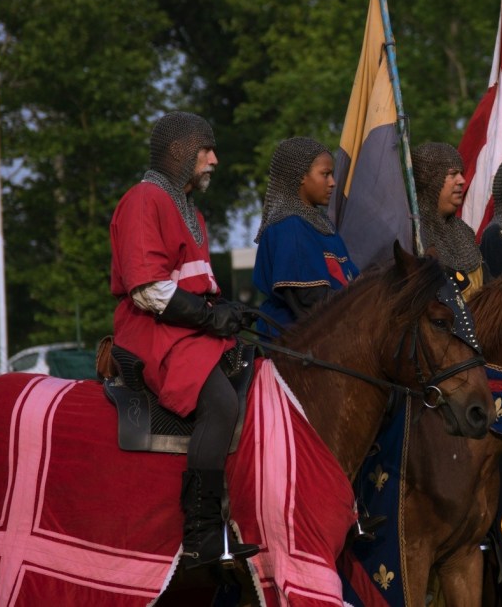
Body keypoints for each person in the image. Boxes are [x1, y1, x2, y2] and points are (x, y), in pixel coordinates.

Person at [110, 111, 258, 569]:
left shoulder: (190, 211)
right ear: (179, 152)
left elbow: (195, 283)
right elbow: (148, 289)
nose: (214, 159)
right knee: (221, 404)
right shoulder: (143, 199)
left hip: (189, 329)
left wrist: (228, 310)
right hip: (154, 332)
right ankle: (201, 536)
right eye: (205, 150)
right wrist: (211, 320)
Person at [253, 137, 359, 337]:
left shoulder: (322, 225)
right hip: (296, 348)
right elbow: (311, 302)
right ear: (301, 176)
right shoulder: (290, 227)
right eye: (325, 174)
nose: (333, 183)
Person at [411, 142, 486, 298]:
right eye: (453, 174)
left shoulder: (464, 232)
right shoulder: (412, 234)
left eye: (461, 173)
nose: (462, 180)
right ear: (429, 180)